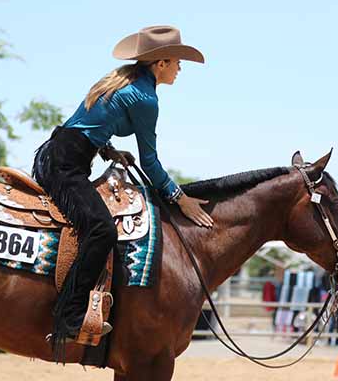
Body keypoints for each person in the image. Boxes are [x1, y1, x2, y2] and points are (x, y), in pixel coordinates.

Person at [33, 25, 213, 347]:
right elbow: (150, 161)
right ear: (161, 64)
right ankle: (70, 314)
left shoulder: (121, 80)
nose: (180, 69)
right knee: (103, 230)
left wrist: (108, 150)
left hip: (59, 152)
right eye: (177, 62)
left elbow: (86, 125)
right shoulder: (144, 97)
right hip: (66, 165)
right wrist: (179, 197)